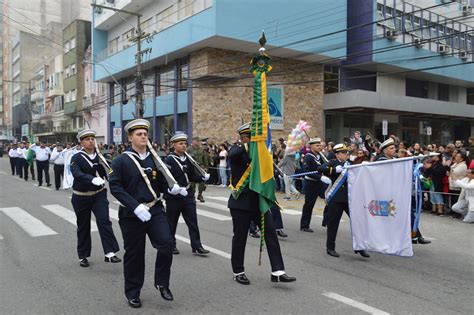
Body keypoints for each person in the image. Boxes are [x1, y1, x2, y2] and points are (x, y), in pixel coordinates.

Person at [109, 119, 177, 308]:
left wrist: (172, 189)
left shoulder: (155, 158)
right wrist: (134, 206)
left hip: (154, 209)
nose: (143, 136)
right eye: (139, 134)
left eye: (145, 133)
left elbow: (161, 182)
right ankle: (133, 292)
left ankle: (162, 283)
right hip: (132, 214)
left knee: (167, 244)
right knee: (134, 255)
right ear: (130, 137)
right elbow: (115, 186)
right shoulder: (121, 160)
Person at [228, 122, 296, 285]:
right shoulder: (238, 151)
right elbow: (233, 154)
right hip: (241, 203)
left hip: (259, 202)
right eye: (253, 137)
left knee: (271, 234)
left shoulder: (261, 153)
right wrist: (250, 144)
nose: (259, 141)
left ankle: (278, 271)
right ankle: (238, 271)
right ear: (245, 137)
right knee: (240, 238)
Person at [70, 129, 121, 268]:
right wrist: (91, 179)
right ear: (81, 142)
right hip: (81, 197)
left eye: (92, 139)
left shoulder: (100, 157)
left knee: (104, 221)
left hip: (98, 195)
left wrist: (114, 178)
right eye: (87, 139)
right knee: (83, 226)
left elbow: (109, 172)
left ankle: (110, 252)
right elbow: (76, 173)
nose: (91, 141)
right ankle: (83, 255)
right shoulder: (77, 157)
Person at [318, 144, 370, 258]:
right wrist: (333, 170)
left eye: (347, 152)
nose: (346, 154)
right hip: (336, 198)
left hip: (348, 198)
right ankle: (330, 248)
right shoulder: (332, 163)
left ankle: (360, 247)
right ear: (337, 154)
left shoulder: (349, 164)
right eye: (343, 152)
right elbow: (320, 168)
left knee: (357, 222)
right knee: (333, 224)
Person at [164, 133, 210, 256]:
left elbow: (192, 176)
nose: (184, 146)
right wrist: (176, 189)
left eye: (185, 143)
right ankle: (171, 244)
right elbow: (166, 178)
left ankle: (197, 245)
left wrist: (202, 177)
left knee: (192, 221)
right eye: (180, 143)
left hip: (188, 194)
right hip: (174, 196)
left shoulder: (188, 158)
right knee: (171, 222)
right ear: (174, 145)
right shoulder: (169, 159)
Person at [300, 138, 331, 232]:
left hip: (320, 183)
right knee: (309, 204)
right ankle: (304, 225)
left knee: (330, 200)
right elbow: (307, 172)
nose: (319, 147)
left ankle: (327, 221)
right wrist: (319, 177)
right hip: (311, 183)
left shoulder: (321, 156)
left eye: (320, 145)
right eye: (317, 145)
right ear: (311, 146)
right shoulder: (308, 157)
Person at [187, 136, 209, 202]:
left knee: (202, 181)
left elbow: (204, 158)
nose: (198, 142)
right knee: (192, 183)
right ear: (193, 141)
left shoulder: (201, 149)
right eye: (197, 141)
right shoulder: (189, 149)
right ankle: (192, 195)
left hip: (200, 167)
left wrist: (206, 166)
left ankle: (200, 194)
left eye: (199, 141)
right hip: (192, 168)